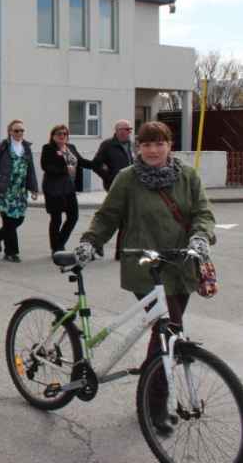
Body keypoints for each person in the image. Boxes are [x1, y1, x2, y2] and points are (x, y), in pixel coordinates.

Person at [75, 121, 215, 435]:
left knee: (167, 331)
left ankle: (151, 382)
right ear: (138, 147)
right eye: (146, 144)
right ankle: (154, 405)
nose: (153, 150)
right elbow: (108, 216)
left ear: (169, 145)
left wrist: (200, 237)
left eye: (159, 143)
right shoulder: (127, 178)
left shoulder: (188, 176)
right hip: (144, 267)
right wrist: (90, 242)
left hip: (181, 265)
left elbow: (203, 213)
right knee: (169, 330)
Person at [0, 119, 39, 263]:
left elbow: (30, 169)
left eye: (21, 130)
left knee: (19, 219)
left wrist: (34, 188)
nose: (19, 133)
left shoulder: (26, 147)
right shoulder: (2, 147)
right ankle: (11, 252)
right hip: (3, 189)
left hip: (19, 190)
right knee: (9, 220)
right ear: (10, 132)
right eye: (16, 130)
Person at [41, 124, 96, 254]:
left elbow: (81, 161)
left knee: (73, 217)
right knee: (56, 219)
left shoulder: (71, 147)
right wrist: (65, 169)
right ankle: (56, 248)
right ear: (53, 136)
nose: (62, 136)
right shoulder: (48, 148)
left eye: (65, 134)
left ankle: (59, 243)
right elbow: (46, 166)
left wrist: (98, 165)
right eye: (59, 133)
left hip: (69, 188)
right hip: (54, 188)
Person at [92, 120, 135, 190]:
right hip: (114, 185)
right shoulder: (107, 144)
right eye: (127, 129)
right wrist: (109, 178)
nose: (130, 131)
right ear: (119, 131)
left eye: (130, 129)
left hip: (131, 184)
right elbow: (95, 165)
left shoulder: (132, 144)